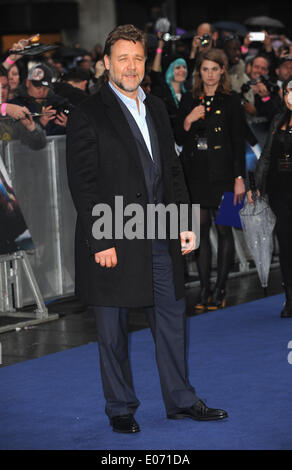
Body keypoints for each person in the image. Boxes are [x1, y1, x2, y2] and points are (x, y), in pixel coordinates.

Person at [66, 24, 228, 434]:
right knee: (113, 330)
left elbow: (171, 171)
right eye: (122, 58)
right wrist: (101, 238)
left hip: (159, 232)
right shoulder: (88, 113)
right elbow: (82, 184)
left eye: (138, 57)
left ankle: (181, 399)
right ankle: (120, 407)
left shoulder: (156, 106)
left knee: (172, 320)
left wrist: (183, 223)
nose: (131, 66)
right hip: (113, 236)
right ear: (106, 63)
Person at [174, 48, 246, 310]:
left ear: (222, 70)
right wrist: (188, 121)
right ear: (199, 72)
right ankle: (204, 289)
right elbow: (179, 139)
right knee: (200, 233)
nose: (210, 74)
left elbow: (239, 142)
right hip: (197, 176)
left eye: (215, 69)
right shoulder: (188, 100)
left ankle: (221, 288)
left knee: (225, 230)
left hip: (226, 175)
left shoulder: (231, 100)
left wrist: (240, 178)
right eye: (205, 69)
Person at [247, 78, 292, 318]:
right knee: (286, 246)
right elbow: (266, 156)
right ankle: (290, 300)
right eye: (288, 91)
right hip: (279, 191)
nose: (290, 96)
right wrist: (257, 186)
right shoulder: (278, 120)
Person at [9, 63, 69, 136]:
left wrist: (69, 125)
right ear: (28, 83)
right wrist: (40, 123)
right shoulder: (14, 105)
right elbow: (14, 135)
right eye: (38, 87)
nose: (41, 91)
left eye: (45, 88)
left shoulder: (60, 103)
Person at [0, 67, 46, 149]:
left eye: (4, 87)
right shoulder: (8, 109)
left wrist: (31, 128)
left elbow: (38, 145)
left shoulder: (14, 113)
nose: (1, 91)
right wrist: (3, 107)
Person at [150, 33, 188, 129]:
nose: (182, 70)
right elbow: (155, 73)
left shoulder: (189, 94)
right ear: (170, 71)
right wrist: (160, 47)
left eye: (184, 67)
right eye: (178, 67)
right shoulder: (161, 93)